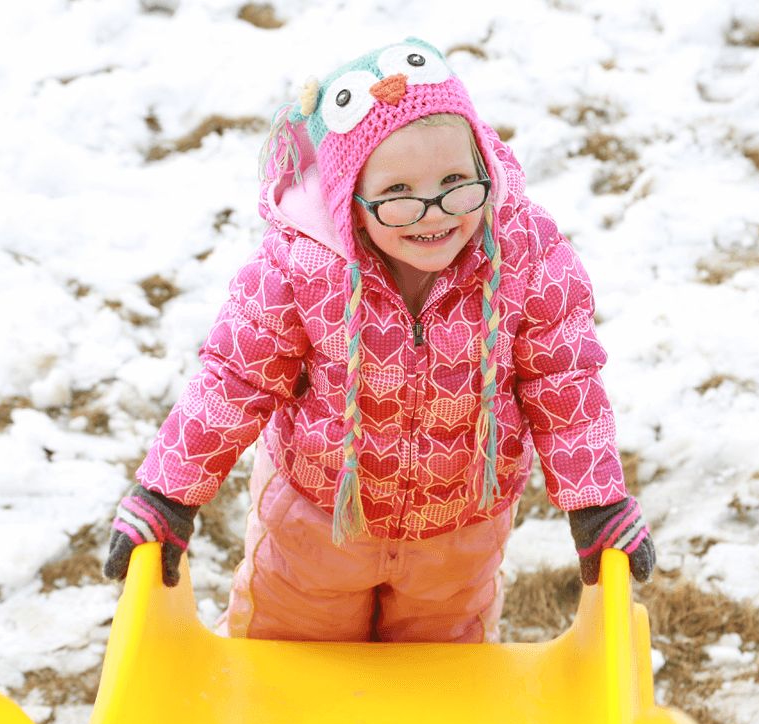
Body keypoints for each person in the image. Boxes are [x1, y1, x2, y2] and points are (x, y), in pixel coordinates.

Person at [103, 37, 654, 643]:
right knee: (291, 653)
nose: (434, 212)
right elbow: (235, 380)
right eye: (397, 195)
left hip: (459, 531)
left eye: (455, 180)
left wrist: (595, 499)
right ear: (349, 201)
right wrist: (166, 493)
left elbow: (564, 379)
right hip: (317, 524)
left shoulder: (525, 256)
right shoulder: (302, 267)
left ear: (484, 167)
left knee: (436, 669)